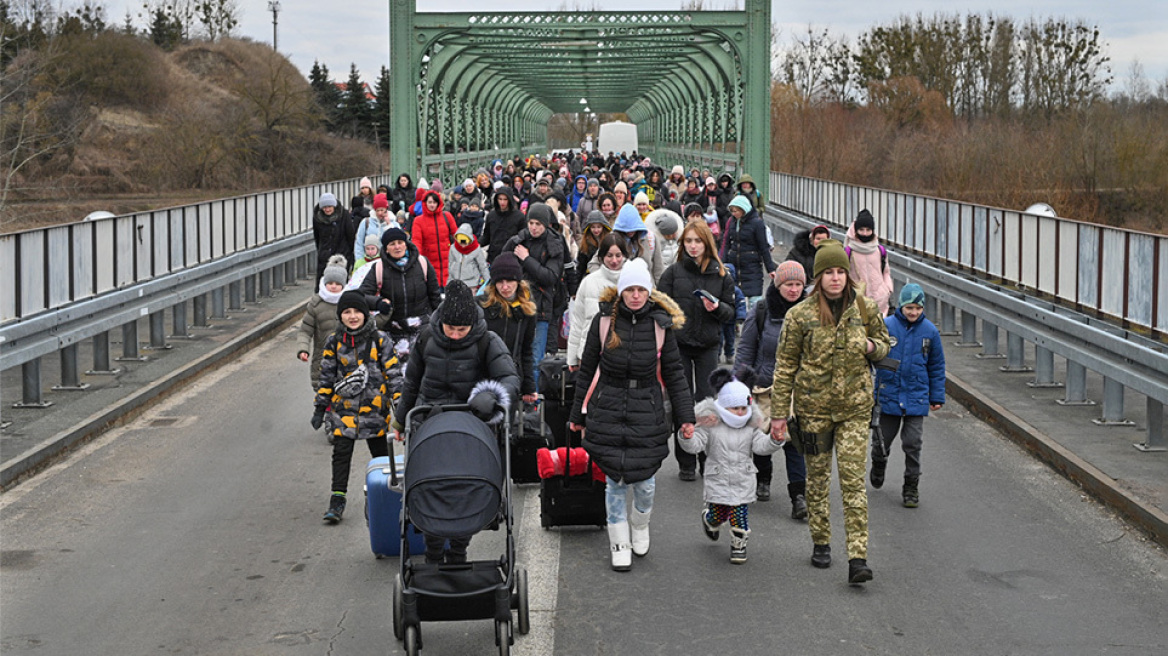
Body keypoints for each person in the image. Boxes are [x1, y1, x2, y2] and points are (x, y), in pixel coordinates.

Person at [770, 239, 890, 585]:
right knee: (818, 481)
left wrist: (871, 346)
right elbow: (785, 366)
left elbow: (884, 346)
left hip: (854, 409)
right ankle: (821, 541)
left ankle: (858, 556)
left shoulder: (864, 309)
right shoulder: (800, 315)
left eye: (840, 272)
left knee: (853, 483)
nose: (835, 278)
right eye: (828, 273)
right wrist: (779, 414)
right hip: (814, 411)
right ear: (818, 277)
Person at [568, 258, 695, 571]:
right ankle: (618, 540)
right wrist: (576, 415)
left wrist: (686, 417)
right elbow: (586, 370)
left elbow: (675, 373)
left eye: (641, 290)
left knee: (646, 482)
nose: (635, 295)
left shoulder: (660, 324)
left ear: (649, 292)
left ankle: (640, 524)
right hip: (608, 406)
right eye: (630, 289)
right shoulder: (603, 321)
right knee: (614, 480)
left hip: (646, 408)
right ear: (621, 291)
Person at [392, 280, 520, 563]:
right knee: (431, 486)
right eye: (450, 329)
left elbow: (510, 379)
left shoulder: (488, 341)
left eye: (461, 330)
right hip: (429, 422)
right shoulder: (427, 338)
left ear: (472, 324)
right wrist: (400, 422)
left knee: (466, 490)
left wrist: (491, 395)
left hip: (473, 424)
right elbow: (411, 382)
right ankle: (434, 550)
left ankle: (459, 548)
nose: (455, 334)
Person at [311, 290, 402, 524]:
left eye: (357, 312)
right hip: (344, 412)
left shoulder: (379, 339)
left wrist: (400, 408)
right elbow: (327, 376)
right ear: (340, 316)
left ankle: (387, 497)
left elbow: (393, 375)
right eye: (347, 312)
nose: (352, 317)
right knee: (341, 453)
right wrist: (321, 406)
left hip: (374, 410)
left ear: (365, 314)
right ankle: (337, 499)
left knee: (381, 457)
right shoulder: (334, 341)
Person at [656, 221, 737, 481]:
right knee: (683, 402)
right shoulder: (672, 273)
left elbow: (732, 313)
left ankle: (706, 457)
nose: (693, 246)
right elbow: (659, 307)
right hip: (678, 345)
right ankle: (686, 460)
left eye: (697, 241)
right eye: (688, 241)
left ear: (706, 244)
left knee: (706, 403)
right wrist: (669, 324)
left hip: (708, 345)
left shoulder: (721, 274)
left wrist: (717, 309)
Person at [681, 366, 785, 564]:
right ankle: (709, 519)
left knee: (739, 514)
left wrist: (774, 440)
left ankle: (739, 544)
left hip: (742, 478)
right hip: (718, 478)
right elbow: (695, 446)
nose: (740, 412)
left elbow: (760, 447)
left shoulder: (750, 425)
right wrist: (687, 436)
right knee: (718, 515)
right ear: (723, 406)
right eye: (734, 408)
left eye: (743, 408)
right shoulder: (710, 423)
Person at [735, 260, 809, 518]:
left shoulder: (811, 312)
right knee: (763, 438)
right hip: (763, 386)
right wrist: (739, 387)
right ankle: (763, 477)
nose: (794, 289)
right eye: (789, 284)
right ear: (778, 285)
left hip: (798, 389)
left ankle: (799, 496)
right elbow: (745, 349)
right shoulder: (762, 310)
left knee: (795, 442)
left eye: (799, 284)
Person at [871, 283, 946, 508]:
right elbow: (873, 356)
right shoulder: (886, 326)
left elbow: (936, 365)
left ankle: (911, 485)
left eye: (918, 308)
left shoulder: (930, 332)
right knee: (881, 441)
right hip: (889, 395)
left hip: (916, 397)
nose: (913, 312)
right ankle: (879, 462)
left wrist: (937, 396)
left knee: (913, 443)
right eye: (909, 308)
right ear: (901, 306)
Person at [503, 203, 565, 389]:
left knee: (535, 361)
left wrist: (526, 259)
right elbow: (503, 261)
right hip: (516, 305)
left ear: (545, 225)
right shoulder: (520, 240)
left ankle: (534, 403)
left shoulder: (554, 244)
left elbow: (550, 277)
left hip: (541, 309)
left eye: (538, 223)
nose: (534, 227)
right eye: (531, 222)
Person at [358, 228, 442, 358]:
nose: (397, 247)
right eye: (392, 244)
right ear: (386, 248)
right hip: (393, 330)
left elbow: (435, 295)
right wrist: (378, 303)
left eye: (400, 242)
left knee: (423, 371)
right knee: (395, 373)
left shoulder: (422, 263)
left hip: (423, 328)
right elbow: (361, 296)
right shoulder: (379, 268)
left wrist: (440, 321)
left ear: (406, 244)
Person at [480, 253, 539, 408]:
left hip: (511, 378)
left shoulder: (527, 310)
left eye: (510, 281)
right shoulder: (481, 306)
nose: (505, 287)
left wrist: (529, 386)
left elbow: (526, 350)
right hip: (484, 377)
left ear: (518, 282)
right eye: (500, 282)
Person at [567, 233, 627, 370]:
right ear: (601, 257)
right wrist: (572, 357)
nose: (614, 260)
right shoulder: (589, 282)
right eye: (609, 256)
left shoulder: (634, 282)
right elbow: (578, 321)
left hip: (623, 355)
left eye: (618, 255)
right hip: (589, 352)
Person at [297, 255, 346, 395]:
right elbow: (305, 331)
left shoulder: (349, 303)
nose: (333, 286)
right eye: (330, 283)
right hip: (322, 361)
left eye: (337, 284)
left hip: (346, 360)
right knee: (323, 396)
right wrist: (303, 349)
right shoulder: (316, 303)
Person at [720, 195, 776, 307]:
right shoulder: (732, 222)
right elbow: (726, 244)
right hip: (734, 266)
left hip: (752, 267)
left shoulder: (757, 223)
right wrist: (721, 262)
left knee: (754, 302)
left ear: (743, 209)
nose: (734, 213)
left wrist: (770, 268)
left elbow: (763, 247)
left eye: (736, 211)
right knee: (734, 300)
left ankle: (754, 323)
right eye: (732, 211)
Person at [845, 209, 894, 315]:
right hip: (856, 303)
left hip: (880, 304)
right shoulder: (849, 251)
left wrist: (887, 289)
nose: (865, 233)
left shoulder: (880, 250)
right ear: (855, 230)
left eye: (868, 230)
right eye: (861, 229)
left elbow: (886, 272)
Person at [411, 190, 458, 292]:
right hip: (429, 262)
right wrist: (416, 256)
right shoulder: (418, 221)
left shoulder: (447, 216)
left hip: (448, 262)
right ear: (425, 203)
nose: (432, 205)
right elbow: (416, 240)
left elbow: (456, 235)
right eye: (430, 202)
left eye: (434, 202)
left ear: (438, 203)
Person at [611, 203, 664, 281]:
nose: (630, 232)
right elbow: (594, 264)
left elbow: (658, 268)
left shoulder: (651, 238)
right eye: (626, 229)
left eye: (633, 228)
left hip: (646, 287)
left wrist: (658, 290)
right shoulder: (612, 239)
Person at [312, 192, 354, 283]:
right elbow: (317, 237)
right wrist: (321, 251)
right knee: (323, 283)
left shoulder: (344, 215)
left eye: (329, 206)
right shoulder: (317, 218)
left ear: (334, 206)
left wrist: (349, 253)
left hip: (341, 254)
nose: (327, 209)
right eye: (324, 207)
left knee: (340, 282)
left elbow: (350, 234)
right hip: (325, 255)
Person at [481, 187, 524, 263]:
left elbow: (522, 238)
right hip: (493, 256)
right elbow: (486, 236)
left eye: (505, 199)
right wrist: (475, 243)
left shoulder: (519, 217)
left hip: (512, 257)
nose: (502, 202)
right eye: (500, 199)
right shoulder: (491, 215)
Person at [447, 223, 489, 292]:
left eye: (465, 243)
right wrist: (449, 283)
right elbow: (450, 265)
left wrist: (488, 283)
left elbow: (483, 267)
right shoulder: (453, 248)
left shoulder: (476, 249)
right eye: (460, 242)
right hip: (455, 283)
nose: (462, 245)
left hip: (471, 284)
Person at [577, 210, 612, 276]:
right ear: (589, 228)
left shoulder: (610, 240)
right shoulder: (585, 243)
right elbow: (581, 267)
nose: (596, 230)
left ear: (603, 227)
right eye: (593, 227)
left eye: (599, 227)